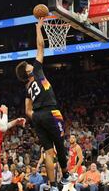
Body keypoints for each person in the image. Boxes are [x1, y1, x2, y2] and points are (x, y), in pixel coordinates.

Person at [15, 18, 70, 190]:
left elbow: (27, 110)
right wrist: (39, 28)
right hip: (50, 112)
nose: (31, 64)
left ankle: (52, 185)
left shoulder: (27, 88)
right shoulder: (37, 71)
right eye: (28, 65)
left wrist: (38, 117)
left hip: (38, 117)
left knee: (48, 150)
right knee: (59, 144)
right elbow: (40, 46)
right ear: (28, 71)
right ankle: (66, 175)